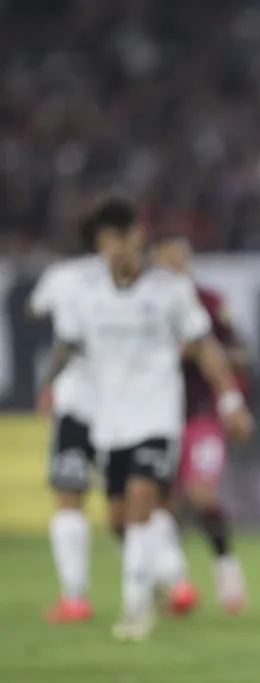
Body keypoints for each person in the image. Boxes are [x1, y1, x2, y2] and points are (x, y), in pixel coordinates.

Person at [39, 197, 253, 641]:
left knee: (141, 504)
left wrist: (230, 400)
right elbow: (67, 344)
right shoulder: (87, 294)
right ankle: (160, 582)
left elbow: (206, 346)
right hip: (109, 423)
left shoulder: (169, 291)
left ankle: (135, 612)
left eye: (123, 237)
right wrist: (49, 383)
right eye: (107, 239)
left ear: (138, 237)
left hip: (157, 420)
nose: (116, 248)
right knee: (118, 519)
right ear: (98, 244)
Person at [151, 236, 249, 614]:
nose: (175, 266)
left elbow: (242, 354)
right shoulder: (144, 305)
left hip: (202, 413)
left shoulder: (209, 303)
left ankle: (226, 568)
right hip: (155, 416)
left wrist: (206, 352)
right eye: (167, 260)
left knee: (202, 493)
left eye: (180, 259)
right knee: (162, 503)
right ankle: (172, 582)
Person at [29, 231, 103, 623]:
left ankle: (75, 597)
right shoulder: (134, 277)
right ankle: (170, 583)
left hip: (76, 404)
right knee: (139, 501)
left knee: (69, 499)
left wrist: (47, 385)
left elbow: (34, 309)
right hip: (126, 407)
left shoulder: (62, 276)